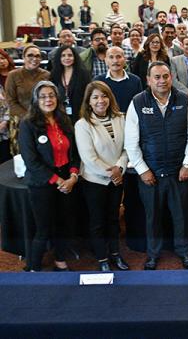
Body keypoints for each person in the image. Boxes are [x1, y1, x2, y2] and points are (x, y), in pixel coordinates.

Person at [124, 61, 188, 270]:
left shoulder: (184, 101)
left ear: (171, 78)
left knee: (181, 216)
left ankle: (184, 252)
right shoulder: (137, 102)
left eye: (165, 76)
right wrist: (143, 170)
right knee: (152, 218)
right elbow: (131, 142)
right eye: (156, 77)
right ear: (148, 80)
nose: (161, 81)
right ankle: (153, 254)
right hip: (151, 174)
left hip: (178, 171)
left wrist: (187, 164)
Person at [19, 81, 79, 272]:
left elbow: (75, 155)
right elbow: (31, 161)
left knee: (64, 224)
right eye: (43, 96)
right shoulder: (28, 124)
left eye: (51, 95)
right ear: (36, 100)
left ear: (57, 98)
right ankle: (33, 266)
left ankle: (60, 260)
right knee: (43, 228)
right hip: (42, 182)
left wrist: (73, 177)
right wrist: (58, 180)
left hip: (66, 180)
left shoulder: (65, 120)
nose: (48, 99)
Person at [75, 81, 129, 272]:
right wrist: (112, 173)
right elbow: (89, 158)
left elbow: (126, 148)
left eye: (104, 96)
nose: (101, 100)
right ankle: (102, 258)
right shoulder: (83, 124)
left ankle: (115, 254)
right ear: (88, 101)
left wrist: (119, 168)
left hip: (118, 178)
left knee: (113, 219)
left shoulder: (120, 118)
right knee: (97, 222)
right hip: (95, 181)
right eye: (95, 97)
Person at [5, 45, 50, 155]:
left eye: (38, 56)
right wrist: (28, 118)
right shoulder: (13, 75)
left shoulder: (47, 75)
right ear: (23, 57)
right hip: (20, 121)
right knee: (22, 154)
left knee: (42, 152)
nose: (34, 59)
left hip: (42, 120)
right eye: (30, 55)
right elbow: (11, 101)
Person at [94, 46, 143, 113]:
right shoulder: (98, 81)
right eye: (111, 57)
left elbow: (140, 105)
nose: (115, 61)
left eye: (118, 57)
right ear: (106, 60)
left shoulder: (135, 80)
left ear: (125, 59)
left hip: (129, 120)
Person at [50, 45, 91, 124]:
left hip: (80, 114)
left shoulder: (83, 74)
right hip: (60, 115)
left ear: (75, 57)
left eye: (70, 55)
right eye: (63, 56)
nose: (67, 58)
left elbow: (88, 94)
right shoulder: (54, 74)